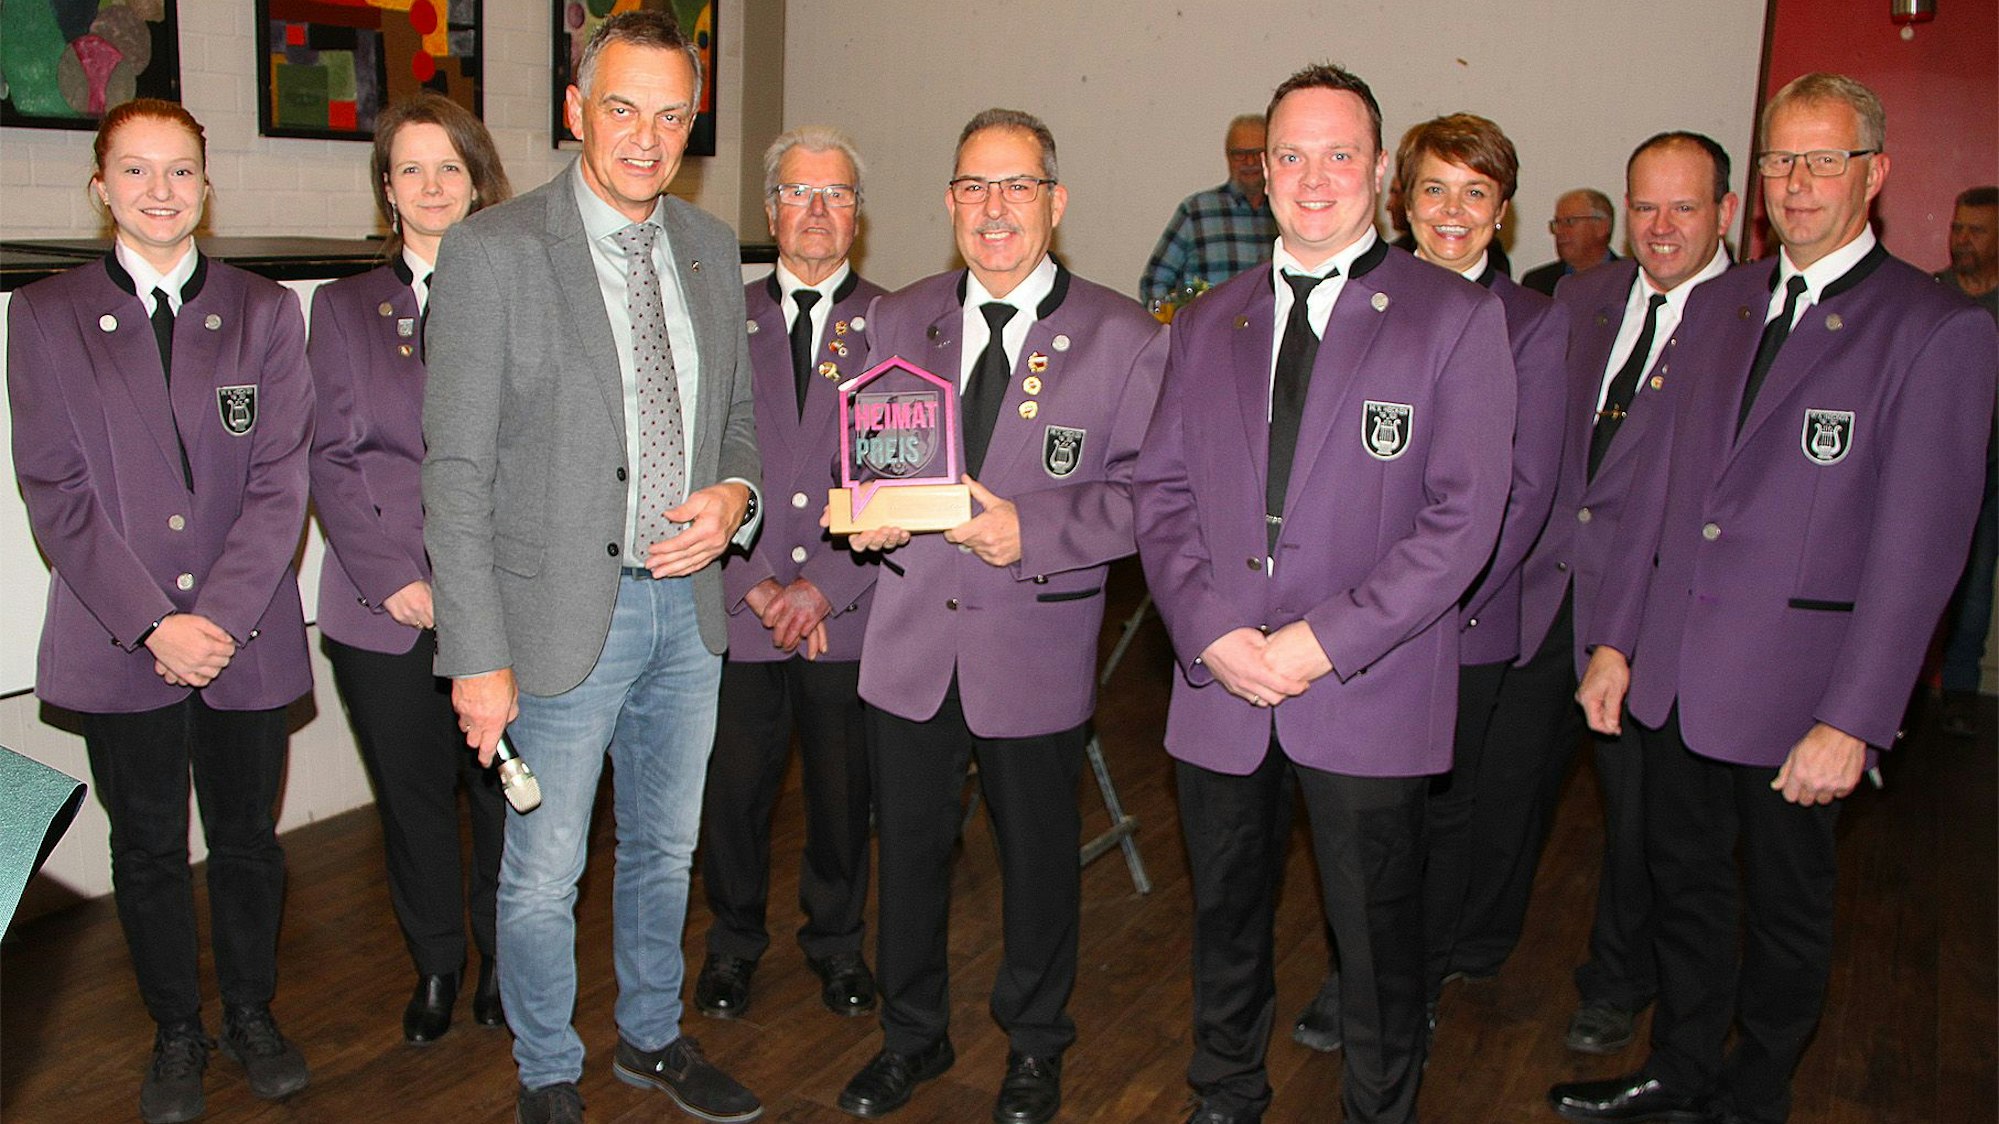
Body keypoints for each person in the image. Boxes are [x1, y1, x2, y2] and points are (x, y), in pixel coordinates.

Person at [1557, 74, 1997, 1124]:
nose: (1796, 185)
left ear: (1873, 174)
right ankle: (1680, 1064)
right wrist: (1614, 640)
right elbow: (1654, 493)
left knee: (1787, 909)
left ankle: (1753, 1094)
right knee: (1683, 887)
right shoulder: (1716, 304)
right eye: (1779, 163)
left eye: (1822, 161)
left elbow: (1921, 551)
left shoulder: (1931, 330)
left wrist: (1855, 715)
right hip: (1669, 673)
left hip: (1800, 693)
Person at [1134, 64, 1514, 1124]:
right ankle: (1223, 1093)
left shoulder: (1450, 317)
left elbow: (1462, 520)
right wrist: (1210, 630)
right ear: (1261, 175)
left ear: (1381, 171)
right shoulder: (1207, 320)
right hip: (1218, 687)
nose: (1313, 178)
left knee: (1377, 942)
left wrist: (1316, 643)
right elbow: (1158, 493)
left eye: (1339, 153)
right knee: (1224, 923)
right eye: (1289, 156)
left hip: (1365, 687)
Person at [421, 11, 763, 1124]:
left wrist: (736, 498)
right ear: (576, 110)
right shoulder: (494, 251)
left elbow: (743, 424)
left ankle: (652, 1038)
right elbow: (454, 471)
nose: (646, 137)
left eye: (671, 114)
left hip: (689, 615)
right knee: (543, 872)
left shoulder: (712, 248)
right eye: (622, 108)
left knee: (665, 850)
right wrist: (475, 657)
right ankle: (548, 1071)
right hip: (562, 620)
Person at [828, 108, 1166, 1124]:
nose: (994, 208)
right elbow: (868, 463)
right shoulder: (896, 318)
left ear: (1054, 202)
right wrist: (867, 520)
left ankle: (1033, 1044)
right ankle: (912, 1036)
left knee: (1034, 860)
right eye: (974, 186)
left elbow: (1150, 496)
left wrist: (1040, 528)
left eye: (1016, 186)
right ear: (946, 202)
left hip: (1032, 639)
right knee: (913, 852)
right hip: (911, 642)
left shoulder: (1122, 336)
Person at [8, 98, 314, 1123]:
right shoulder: (44, 316)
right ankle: (177, 1026)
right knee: (143, 847)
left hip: (247, 638)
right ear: (101, 186)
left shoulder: (265, 312)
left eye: (180, 171)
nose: (160, 192)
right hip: (118, 638)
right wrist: (156, 623)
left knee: (246, 841)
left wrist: (216, 618)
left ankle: (251, 1013)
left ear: (205, 183)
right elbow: (57, 489)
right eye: (135, 172)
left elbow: (281, 479)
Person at [1488, 132, 1741, 1060]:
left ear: (1724, 211)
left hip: (1651, 611)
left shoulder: (1748, 317)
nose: (1662, 227)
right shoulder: (1580, 297)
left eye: (1683, 208)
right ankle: (1473, 945)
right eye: (1645, 208)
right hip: (1546, 591)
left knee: (1639, 823)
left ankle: (1616, 984)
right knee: (1501, 786)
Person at [307, 92, 512, 1046]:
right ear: (387, 188)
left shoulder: (530, 295)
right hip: (382, 604)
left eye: (450, 168)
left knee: (504, 797)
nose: (432, 186)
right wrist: (394, 574)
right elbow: (329, 457)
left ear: (478, 183)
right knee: (415, 798)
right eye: (410, 169)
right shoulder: (344, 310)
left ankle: (505, 962)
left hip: (508, 600)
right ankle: (437, 963)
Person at [694, 125, 884, 1022]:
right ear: (769, 210)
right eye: (800, 193)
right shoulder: (717, 321)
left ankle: (838, 944)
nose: (817, 211)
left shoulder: (897, 323)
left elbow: (902, 480)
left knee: (844, 798)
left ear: (859, 215)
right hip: (739, 606)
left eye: (835, 195)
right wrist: (757, 583)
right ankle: (731, 944)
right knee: (731, 794)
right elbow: (687, 462)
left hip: (849, 610)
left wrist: (825, 588)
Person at [1393, 114, 1570, 1026]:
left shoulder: (1533, 325)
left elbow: (1525, 492)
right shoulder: (1360, 302)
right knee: (1363, 817)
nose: (1451, 211)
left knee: (1443, 812)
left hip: (1463, 616)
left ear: (1502, 212)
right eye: (1434, 188)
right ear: (1402, 199)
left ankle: (1415, 984)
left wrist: (1427, 607)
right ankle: (1362, 972)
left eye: (1475, 192)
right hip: (1350, 620)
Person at [1934, 184, 1998, 736]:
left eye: (1975, 230)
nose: (1961, 241)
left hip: (1993, 468)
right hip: (1937, 469)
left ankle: (1959, 695)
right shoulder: (1934, 296)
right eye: (1957, 228)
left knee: (1977, 584)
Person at [1138, 114, 1277, 306]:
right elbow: (1153, 284)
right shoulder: (1197, 212)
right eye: (1239, 154)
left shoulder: (1286, 214)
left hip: (1269, 333)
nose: (1249, 162)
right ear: (1228, 157)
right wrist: (1179, 326)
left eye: (1257, 153)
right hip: (1209, 334)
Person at [1522, 188, 1618, 295]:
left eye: (1569, 222)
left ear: (1602, 227)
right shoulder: (1536, 283)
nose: (1559, 231)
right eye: (1557, 223)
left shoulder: (1630, 280)